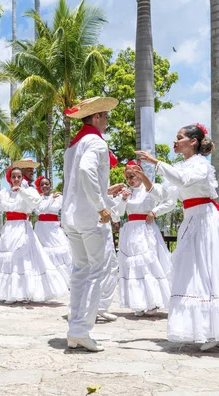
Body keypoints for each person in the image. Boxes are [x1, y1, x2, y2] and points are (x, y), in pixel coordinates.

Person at [137, 123, 219, 351]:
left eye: (179, 137)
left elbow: (183, 181)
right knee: (195, 273)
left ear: (193, 141)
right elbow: (166, 195)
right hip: (192, 220)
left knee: (211, 270)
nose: (175, 141)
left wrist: (156, 162)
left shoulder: (200, 166)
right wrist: (145, 177)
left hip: (206, 222)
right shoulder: (183, 166)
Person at [61, 96, 120, 352]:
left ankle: (75, 329)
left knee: (80, 271)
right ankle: (81, 329)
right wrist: (101, 205)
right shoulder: (95, 142)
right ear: (96, 117)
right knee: (97, 272)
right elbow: (86, 172)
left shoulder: (73, 146)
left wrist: (104, 193)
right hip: (90, 216)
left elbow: (77, 180)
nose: (107, 122)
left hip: (71, 216)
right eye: (105, 117)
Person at [0, 167, 68, 304]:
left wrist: (21, 191)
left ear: (22, 178)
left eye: (19, 177)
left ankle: (25, 292)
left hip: (22, 226)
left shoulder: (29, 191)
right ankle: (11, 293)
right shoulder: (4, 193)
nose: (16, 179)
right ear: (10, 179)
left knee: (23, 258)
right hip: (9, 228)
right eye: (14, 177)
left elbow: (36, 203)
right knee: (9, 258)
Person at [115, 161, 177, 317]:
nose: (130, 180)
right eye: (128, 177)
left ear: (140, 174)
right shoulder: (127, 193)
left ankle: (154, 301)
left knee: (148, 265)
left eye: (133, 176)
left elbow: (168, 201)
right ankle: (139, 302)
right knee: (133, 267)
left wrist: (155, 211)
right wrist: (123, 199)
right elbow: (118, 213)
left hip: (145, 229)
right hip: (130, 231)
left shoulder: (150, 188)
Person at [33, 176, 73, 288]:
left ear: (50, 185)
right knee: (45, 252)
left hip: (55, 227)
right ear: (39, 187)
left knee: (63, 250)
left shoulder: (59, 197)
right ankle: (49, 281)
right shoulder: (37, 199)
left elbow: (64, 209)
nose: (45, 186)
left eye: (47, 184)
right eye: (42, 185)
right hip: (42, 229)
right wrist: (50, 198)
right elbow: (41, 210)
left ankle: (65, 280)